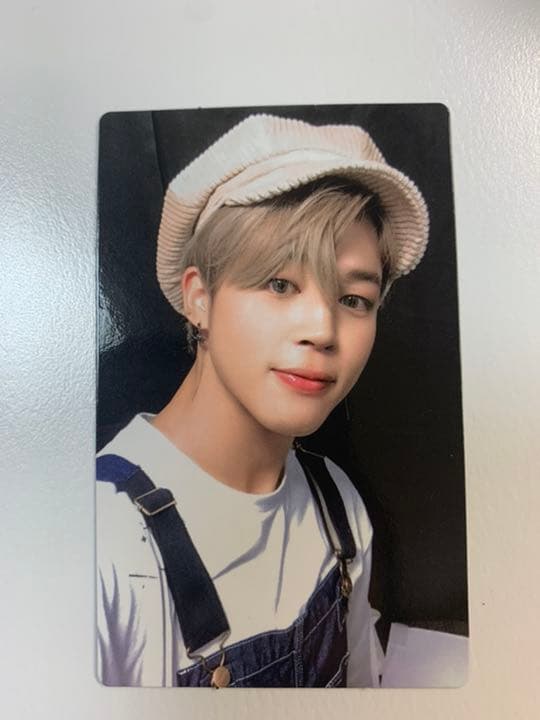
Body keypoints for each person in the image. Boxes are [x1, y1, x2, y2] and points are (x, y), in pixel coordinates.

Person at [96, 113, 429, 688]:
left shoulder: (338, 506)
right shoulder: (101, 547)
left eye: (354, 299)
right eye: (280, 284)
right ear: (199, 297)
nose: (322, 329)